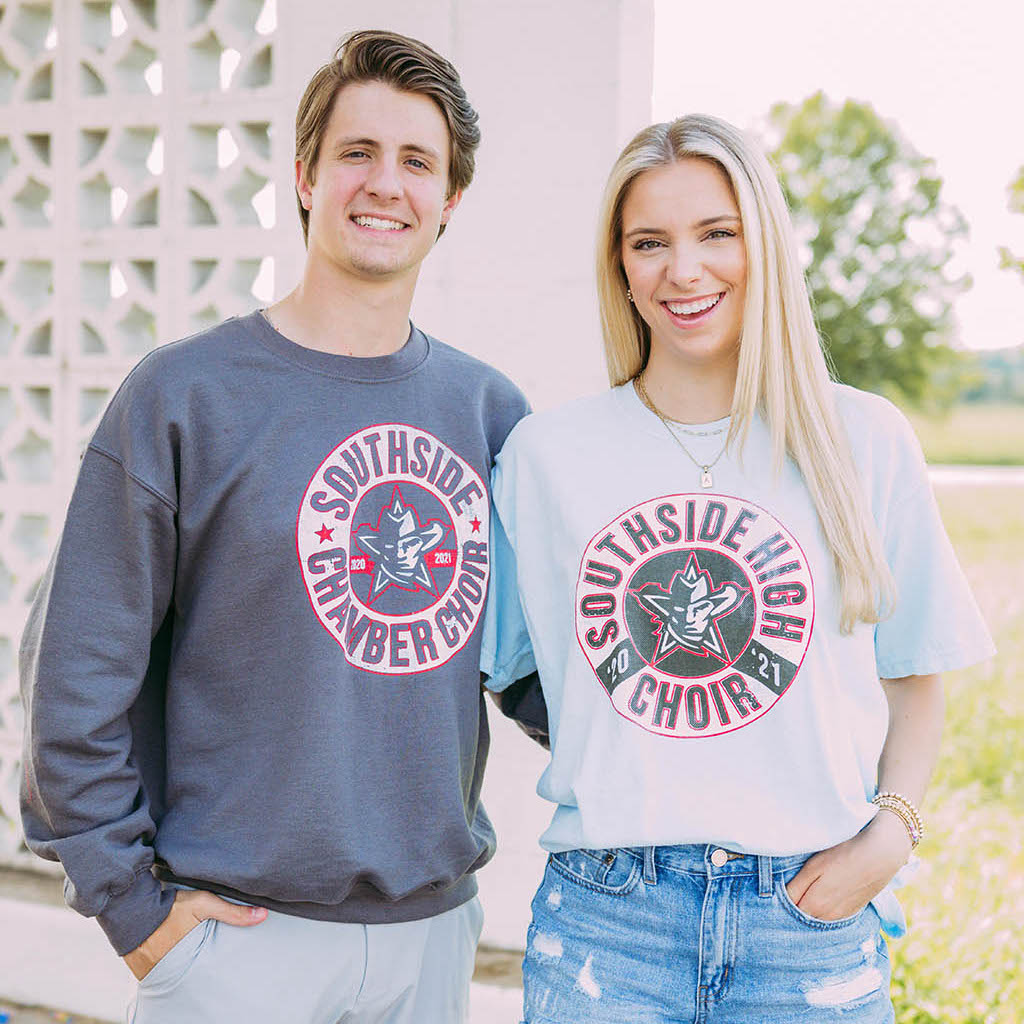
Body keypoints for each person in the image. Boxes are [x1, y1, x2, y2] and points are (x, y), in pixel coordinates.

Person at [20, 29, 529, 1024]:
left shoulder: (489, 415)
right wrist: (133, 911)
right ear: (303, 175)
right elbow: (72, 683)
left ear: (450, 201)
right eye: (357, 153)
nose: (385, 184)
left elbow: (540, 673)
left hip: (431, 940)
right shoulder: (184, 396)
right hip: (234, 949)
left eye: (416, 162)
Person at [482, 114, 994, 1022]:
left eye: (718, 233)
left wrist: (890, 838)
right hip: (609, 926)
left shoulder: (862, 440)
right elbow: (518, 675)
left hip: (809, 916)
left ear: (764, 244)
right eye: (651, 242)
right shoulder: (544, 456)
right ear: (621, 268)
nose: (685, 270)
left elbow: (914, 674)